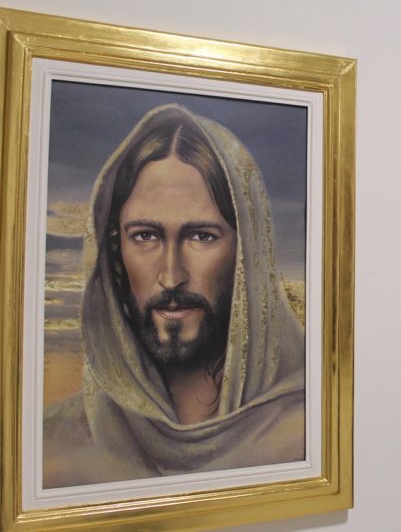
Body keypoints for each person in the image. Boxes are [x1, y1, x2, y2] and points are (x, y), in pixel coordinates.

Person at [43, 104, 305, 488]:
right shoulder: (52, 446)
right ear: (115, 251)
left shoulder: (310, 431)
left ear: (247, 253)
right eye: (145, 236)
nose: (171, 276)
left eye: (201, 236)